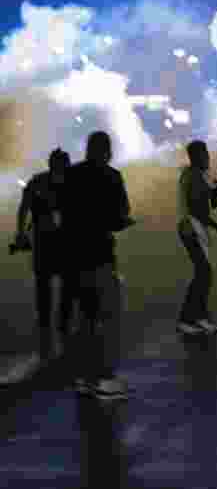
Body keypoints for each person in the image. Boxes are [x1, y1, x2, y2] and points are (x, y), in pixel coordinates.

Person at [61, 131, 136, 400]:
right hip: (100, 255)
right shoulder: (111, 177)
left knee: (86, 317)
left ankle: (83, 377)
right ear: (107, 150)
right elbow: (119, 217)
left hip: (74, 257)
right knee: (108, 317)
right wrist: (123, 223)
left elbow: (62, 212)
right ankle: (104, 379)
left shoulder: (71, 175)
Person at [14, 148, 75, 363]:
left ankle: (53, 329)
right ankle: (57, 328)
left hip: (55, 242)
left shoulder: (40, 182)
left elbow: (24, 209)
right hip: (53, 243)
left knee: (53, 288)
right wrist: (21, 232)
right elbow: (24, 208)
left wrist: (21, 233)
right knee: (56, 287)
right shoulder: (69, 183)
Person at [176, 140, 217, 335]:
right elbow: (198, 211)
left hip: (195, 228)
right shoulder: (193, 176)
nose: (208, 157)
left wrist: (216, 191)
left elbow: (213, 204)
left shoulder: (199, 175)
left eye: (207, 153)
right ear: (196, 156)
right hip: (191, 228)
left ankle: (198, 318)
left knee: (204, 274)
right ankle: (188, 319)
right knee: (204, 273)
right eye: (204, 154)